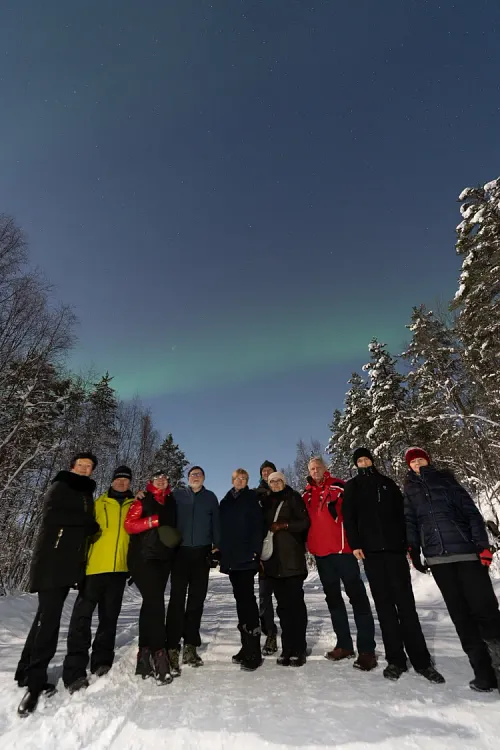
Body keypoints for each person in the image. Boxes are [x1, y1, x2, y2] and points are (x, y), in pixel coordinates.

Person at [343, 448, 445, 683]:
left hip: (395, 551)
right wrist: (355, 544)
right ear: (356, 465)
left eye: (366, 459)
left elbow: (403, 514)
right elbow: (349, 517)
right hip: (371, 554)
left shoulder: (387, 483)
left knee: (406, 606)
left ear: (372, 460)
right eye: (359, 460)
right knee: (384, 607)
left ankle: (422, 661)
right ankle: (395, 660)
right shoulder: (353, 486)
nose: (363, 462)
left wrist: (407, 543)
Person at [404, 447, 500, 693]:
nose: (417, 463)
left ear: (428, 460)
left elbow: (471, 514)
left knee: (485, 610)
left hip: (467, 554)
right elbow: (411, 523)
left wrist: (482, 546)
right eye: (413, 461)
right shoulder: (410, 490)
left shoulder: (446, 481)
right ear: (409, 466)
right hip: (438, 560)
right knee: (461, 617)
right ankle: (483, 675)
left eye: (420, 459)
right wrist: (414, 551)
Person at [16, 452, 99, 717]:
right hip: (51, 562)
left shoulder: (86, 493)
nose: (84, 469)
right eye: (81, 465)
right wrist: (87, 524)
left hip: (66, 565)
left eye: (89, 466)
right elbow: (52, 514)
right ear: (72, 467)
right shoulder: (62, 484)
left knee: (44, 617)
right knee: (50, 621)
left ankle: (24, 670)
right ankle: (35, 684)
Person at [62, 465, 135, 693]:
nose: (122, 482)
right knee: (80, 619)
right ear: (112, 481)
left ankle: (102, 662)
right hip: (93, 570)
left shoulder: (135, 506)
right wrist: (76, 565)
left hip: (119, 571)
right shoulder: (97, 504)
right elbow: (81, 534)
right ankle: (74, 670)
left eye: (126, 480)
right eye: (118, 479)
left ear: (130, 483)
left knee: (109, 619)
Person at [303, 456, 377, 670]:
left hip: (343, 551)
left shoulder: (339, 486)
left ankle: (366, 649)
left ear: (325, 468)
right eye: (312, 468)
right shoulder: (306, 495)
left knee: (357, 598)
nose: (315, 470)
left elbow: (355, 513)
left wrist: (359, 541)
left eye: (318, 467)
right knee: (334, 601)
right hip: (321, 555)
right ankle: (344, 645)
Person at [125, 469, 179, 685]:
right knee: (156, 602)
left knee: (150, 603)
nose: (162, 481)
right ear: (151, 481)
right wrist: (153, 521)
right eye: (158, 478)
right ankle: (159, 653)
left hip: (163, 559)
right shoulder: (142, 499)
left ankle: (143, 653)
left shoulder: (172, 501)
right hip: (142, 559)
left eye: (165, 478)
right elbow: (129, 525)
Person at [166, 466, 220, 672]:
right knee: (177, 600)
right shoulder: (177, 495)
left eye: (198, 474)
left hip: (201, 554)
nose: (195, 477)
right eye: (192, 475)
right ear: (187, 478)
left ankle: (190, 645)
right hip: (180, 553)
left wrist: (217, 547)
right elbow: (163, 509)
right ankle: (172, 646)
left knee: (196, 600)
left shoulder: (210, 497)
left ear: (204, 478)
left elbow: (216, 523)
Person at [262, 472, 310, 666]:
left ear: (284, 482)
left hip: (292, 561)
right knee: (282, 608)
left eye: (278, 480)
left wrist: (285, 525)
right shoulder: (266, 502)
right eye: (271, 481)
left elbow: (304, 523)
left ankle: (299, 648)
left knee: (296, 606)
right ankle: (287, 647)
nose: (275, 484)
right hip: (274, 563)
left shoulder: (293, 498)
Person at [219, 469, 264, 671]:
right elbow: (221, 529)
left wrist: (255, 550)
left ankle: (254, 651)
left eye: (244, 478)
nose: (241, 481)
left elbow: (258, 526)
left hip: (247, 557)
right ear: (232, 480)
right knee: (240, 602)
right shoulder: (226, 501)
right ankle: (245, 646)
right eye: (238, 478)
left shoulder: (252, 499)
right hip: (232, 559)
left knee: (248, 602)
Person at [255, 460, 279, 655]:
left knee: (286, 596)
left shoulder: (284, 493)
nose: (266, 473)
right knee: (264, 596)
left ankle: (291, 634)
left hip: (284, 551)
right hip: (264, 551)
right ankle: (270, 633)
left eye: (269, 470)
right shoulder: (256, 495)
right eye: (263, 471)